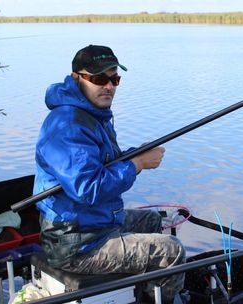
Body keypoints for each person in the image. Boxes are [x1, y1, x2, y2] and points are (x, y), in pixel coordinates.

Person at [33, 44, 185, 303]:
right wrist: (137, 164)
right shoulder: (68, 124)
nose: (109, 86)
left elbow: (102, 162)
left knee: (150, 220)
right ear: (76, 78)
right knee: (171, 252)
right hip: (76, 243)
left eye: (114, 79)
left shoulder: (90, 114)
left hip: (92, 223)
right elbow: (88, 189)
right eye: (99, 78)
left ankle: (146, 291)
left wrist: (137, 154)